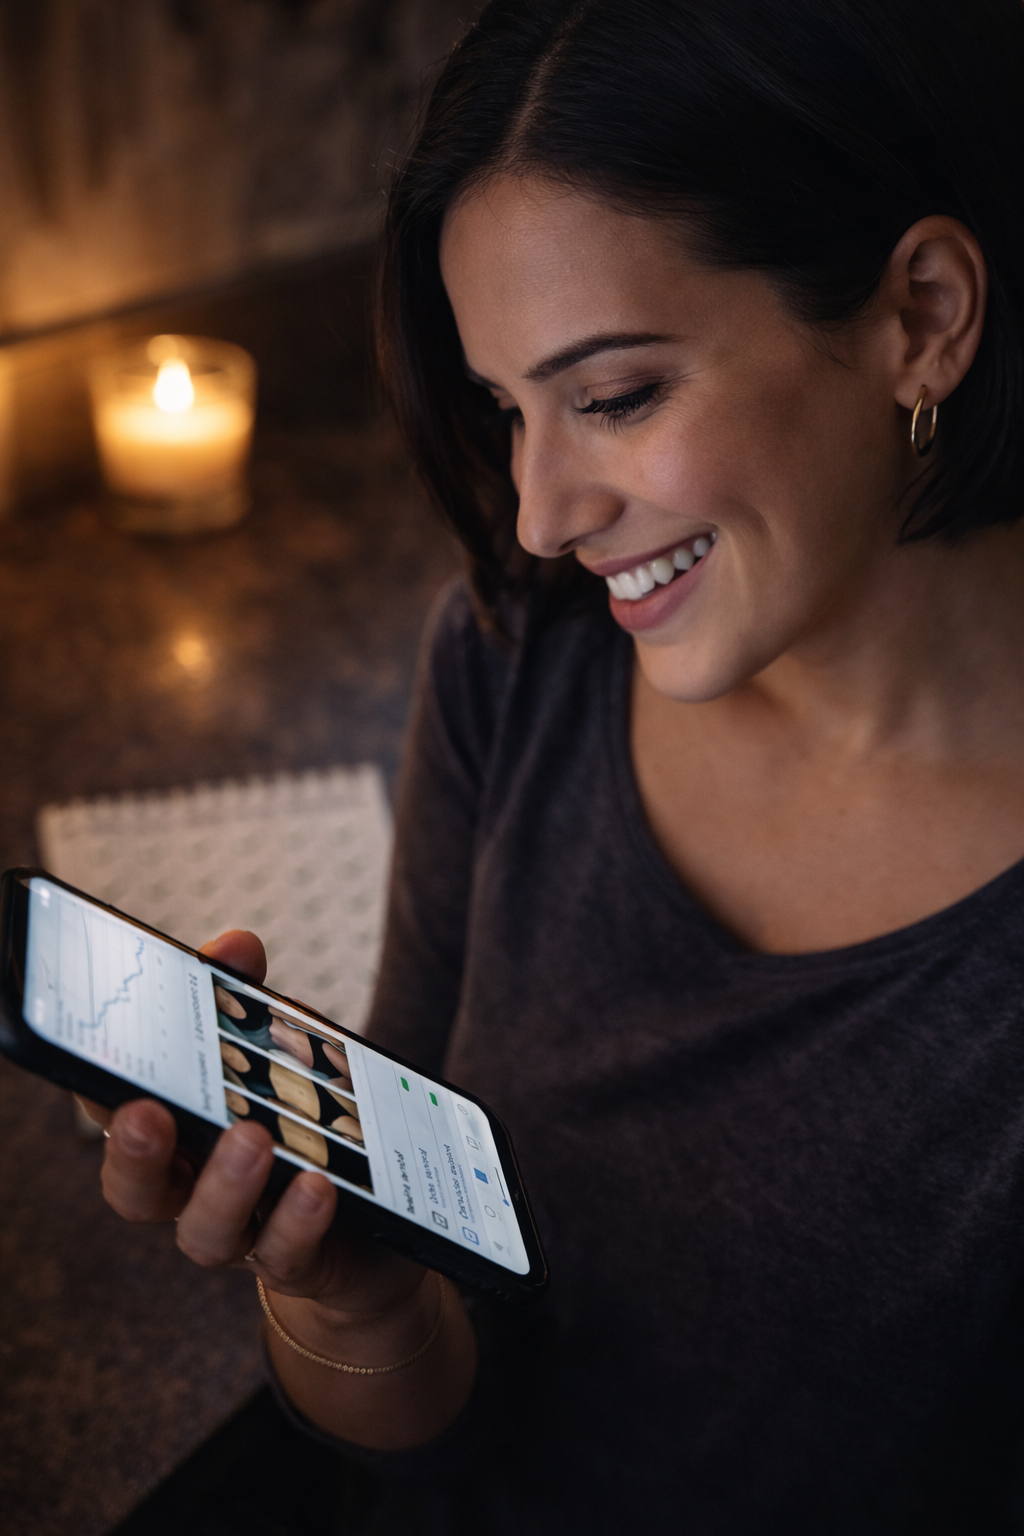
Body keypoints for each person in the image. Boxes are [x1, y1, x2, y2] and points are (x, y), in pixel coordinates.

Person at [86, 1, 1024, 1529]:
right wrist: (352, 1296)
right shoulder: (522, 662)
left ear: (920, 311)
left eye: (614, 397)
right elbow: (434, 1417)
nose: (536, 515)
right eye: (506, 411)